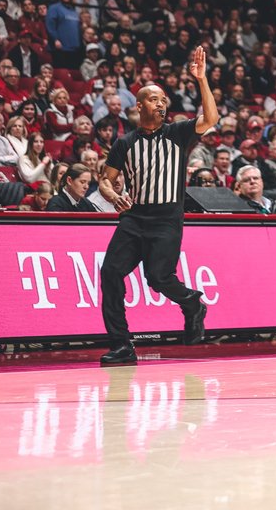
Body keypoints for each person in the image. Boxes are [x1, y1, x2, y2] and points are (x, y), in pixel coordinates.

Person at [96, 46, 221, 365]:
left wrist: (202, 80)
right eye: (155, 99)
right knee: (110, 272)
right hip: (134, 218)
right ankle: (122, 344)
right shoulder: (124, 143)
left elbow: (211, 118)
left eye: (164, 100)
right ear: (139, 106)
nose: (162, 104)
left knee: (158, 278)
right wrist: (112, 196)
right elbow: (105, 180)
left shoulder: (178, 133)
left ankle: (192, 303)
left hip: (167, 219)